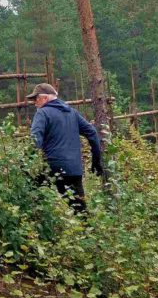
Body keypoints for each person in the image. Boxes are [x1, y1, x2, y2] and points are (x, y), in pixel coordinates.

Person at [27, 83, 103, 213]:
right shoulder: (72, 112)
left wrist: (27, 162)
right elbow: (92, 132)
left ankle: (37, 221)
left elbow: (35, 139)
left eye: (36, 99)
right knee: (81, 212)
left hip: (52, 167)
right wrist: (96, 160)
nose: (34, 103)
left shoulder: (42, 113)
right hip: (74, 169)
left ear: (45, 98)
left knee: (31, 196)